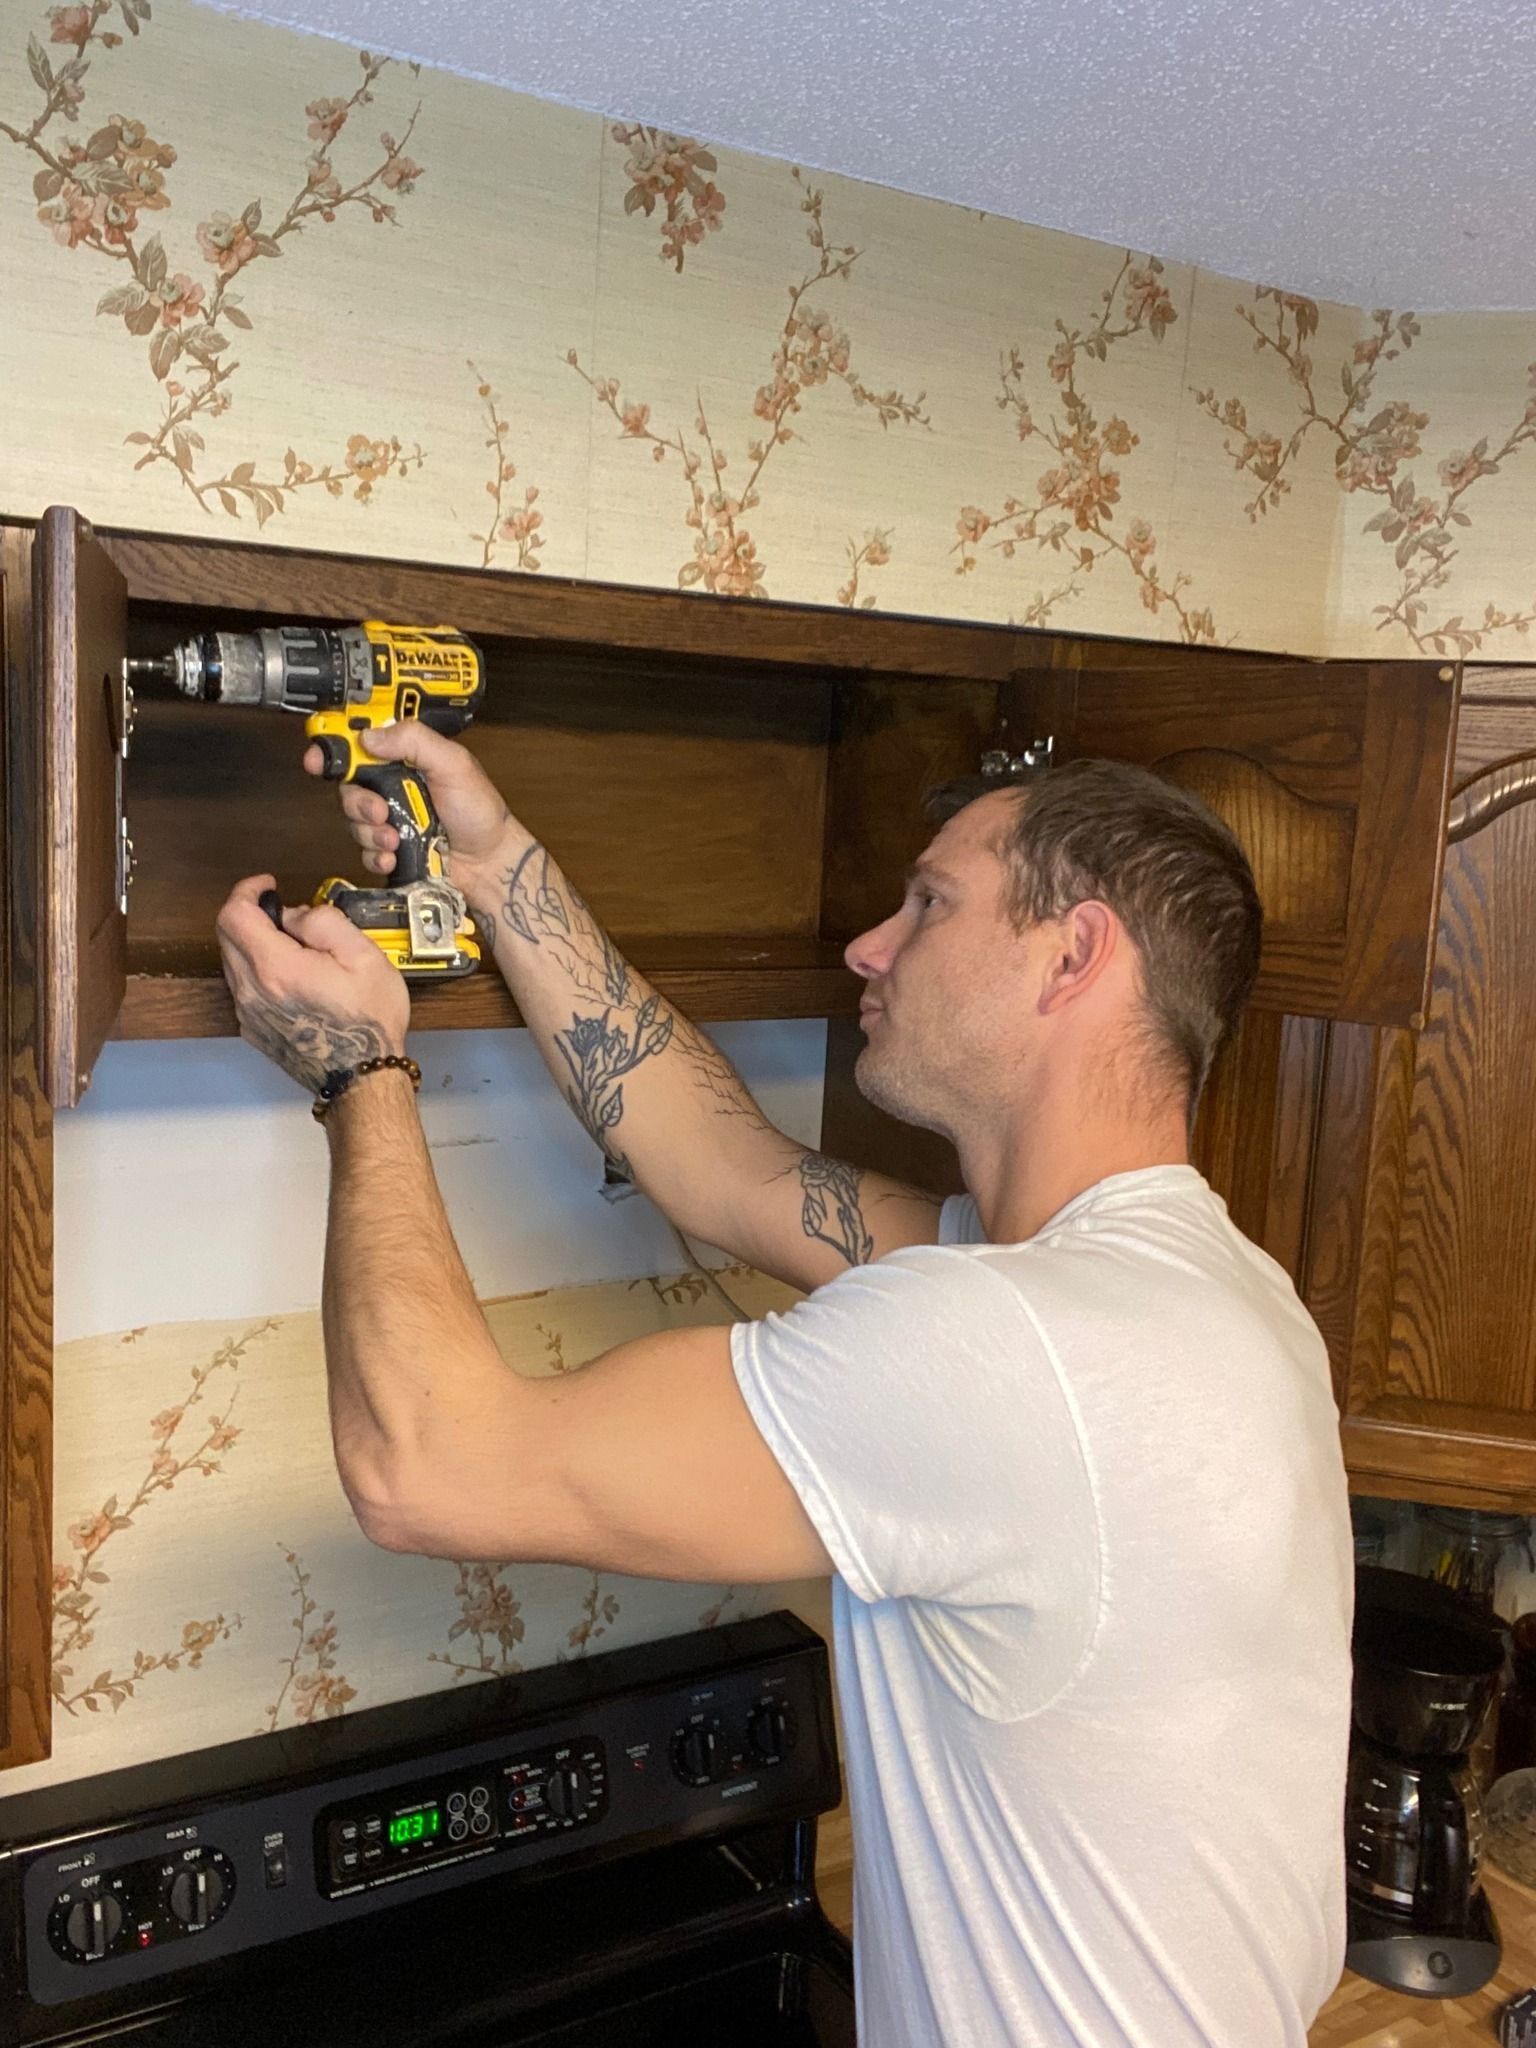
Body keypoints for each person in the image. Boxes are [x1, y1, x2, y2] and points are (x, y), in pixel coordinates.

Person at [215, 730, 1353, 2048]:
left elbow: (424, 1468)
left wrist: (359, 1070)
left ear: (1075, 954)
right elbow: (723, 1168)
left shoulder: (999, 1348)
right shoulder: (1207, 1292)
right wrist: (493, 856)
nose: (873, 946)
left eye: (930, 904)